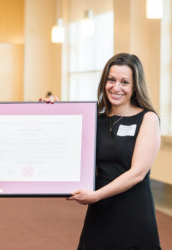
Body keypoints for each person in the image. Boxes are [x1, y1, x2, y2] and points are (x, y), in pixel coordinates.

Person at [42, 53, 161, 249]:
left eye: (125, 82)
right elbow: (61, 144)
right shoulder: (95, 118)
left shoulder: (148, 119)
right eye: (111, 80)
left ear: (135, 86)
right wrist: (50, 111)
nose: (116, 87)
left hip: (133, 208)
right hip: (101, 209)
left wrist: (96, 195)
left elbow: (137, 173)